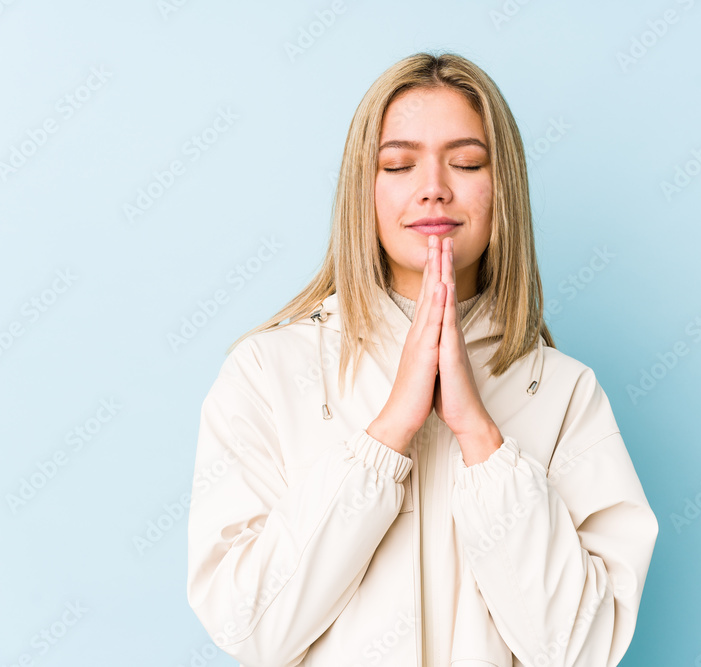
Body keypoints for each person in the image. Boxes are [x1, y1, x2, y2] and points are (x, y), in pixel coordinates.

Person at [186, 51, 659, 667]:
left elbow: (579, 649)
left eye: (465, 162)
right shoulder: (265, 372)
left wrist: (480, 436)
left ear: (503, 187)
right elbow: (248, 628)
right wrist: (386, 436)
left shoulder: (564, 392)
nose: (434, 187)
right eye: (399, 164)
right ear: (365, 188)